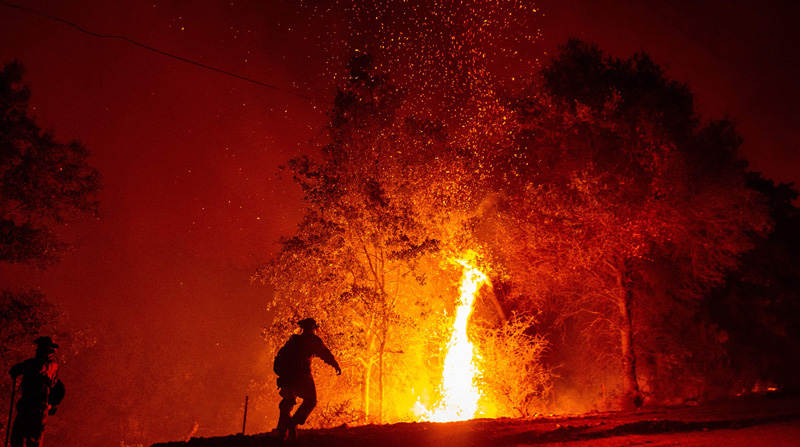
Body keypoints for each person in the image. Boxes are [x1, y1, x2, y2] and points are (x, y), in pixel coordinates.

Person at [273, 318, 341, 441]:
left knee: (287, 402)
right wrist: (335, 364)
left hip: (286, 376)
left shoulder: (293, 341)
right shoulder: (313, 340)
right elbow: (325, 354)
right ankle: (292, 423)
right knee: (311, 400)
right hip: (302, 376)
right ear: (314, 328)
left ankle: (283, 432)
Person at [8, 336, 64, 447]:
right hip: (26, 407)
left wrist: (22, 367)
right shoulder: (38, 364)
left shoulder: (50, 366)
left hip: (38, 410)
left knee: (33, 441)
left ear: (47, 350)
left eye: (40, 347)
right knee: (16, 438)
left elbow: (39, 368)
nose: (37, 350)